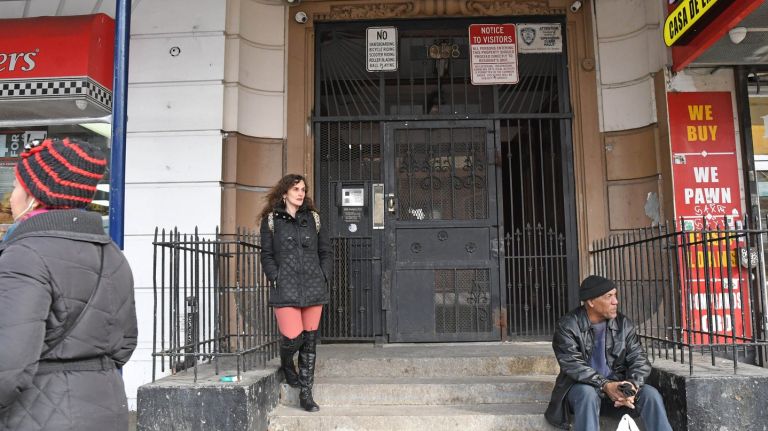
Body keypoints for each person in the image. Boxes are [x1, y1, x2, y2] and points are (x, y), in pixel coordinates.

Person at [0, 137, 137, 431]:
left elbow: (7, 364)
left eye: (16, 186)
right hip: (106, 410)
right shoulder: (112, 253)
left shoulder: (23, 255)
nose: (12, 197)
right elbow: (125, 344)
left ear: (35, 195)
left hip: (37, 416)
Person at [544, 275, 672, 431]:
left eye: (615, 295)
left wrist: (631, 385)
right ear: (591, 302)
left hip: (617, 389)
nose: (615, 301)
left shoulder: (623, 324)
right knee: (587, 393)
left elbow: (639, 359)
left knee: (651, 395)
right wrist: (605, 385)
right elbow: (573, 365)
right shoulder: (568, 326)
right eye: (609, 296)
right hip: (582, 390)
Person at [259, 174, 332, 412]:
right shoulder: (271, 220)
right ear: (284, 193)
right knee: (293, 338)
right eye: (295, 189)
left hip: (313, 285)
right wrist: (275, 277)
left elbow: (325, 251)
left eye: (303, 189)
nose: (300, 193)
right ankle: (286, 363)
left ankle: (306, 394)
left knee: (309, 342)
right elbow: (266, 255)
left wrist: (324, 274)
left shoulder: (313, 218)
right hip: (285, 287)